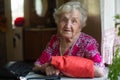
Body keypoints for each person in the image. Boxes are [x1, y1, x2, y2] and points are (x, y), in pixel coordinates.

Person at [33, 0, 105, 77]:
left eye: (74, 21)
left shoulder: (88, 43)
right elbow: (37, 65)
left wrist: (62, 65)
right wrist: (47, 67)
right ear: (58, 22)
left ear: (80, 26)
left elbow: (100, 70)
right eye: (64, 20)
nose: (67, 25)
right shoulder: (55, 40)